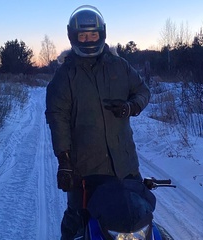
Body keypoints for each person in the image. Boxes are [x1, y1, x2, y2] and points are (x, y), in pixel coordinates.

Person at [45, 5, 151, 240]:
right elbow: (57, 117)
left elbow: (143, 90)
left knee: (137, 215)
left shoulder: (119, 66)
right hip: (84, 168)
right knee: (77, 219)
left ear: (101, 34)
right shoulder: (65, 75)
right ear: (73, 36)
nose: (88, 39)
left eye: (93, 34)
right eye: (83, 35)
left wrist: (131, 107)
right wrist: (64, 160)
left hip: (125, 164)